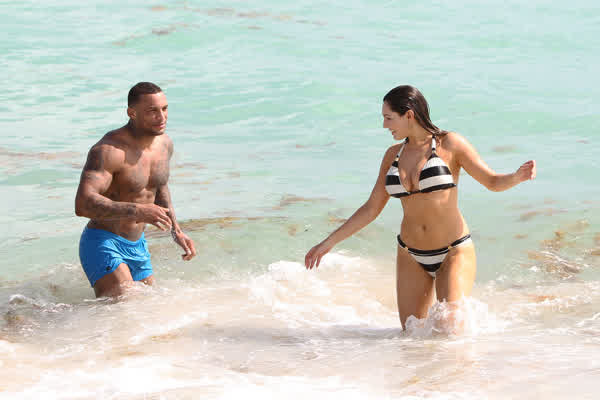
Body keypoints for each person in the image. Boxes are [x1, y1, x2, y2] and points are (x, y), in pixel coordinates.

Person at [304, 85, 536, 329]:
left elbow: (492, 182)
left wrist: (516, 177)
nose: (384, 125)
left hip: (452, 251)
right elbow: (371, 208)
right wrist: (328, 243)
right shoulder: (392, 155)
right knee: (412, 336)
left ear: (409, 115)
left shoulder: (450, 144)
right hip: (410, 255)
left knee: (449, 330)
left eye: (389, 118)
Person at [75, 82, 196, 298]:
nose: (161, 117)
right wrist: (138, 211)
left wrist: (176, 231)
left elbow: (159, 186)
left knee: (149, 308)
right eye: (152, 111)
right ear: (132, 113)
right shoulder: (108, 151)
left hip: (137, 244)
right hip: (104, 241)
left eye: (165, 109)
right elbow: (83, 204)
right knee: (127, 306)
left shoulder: (165, 145)